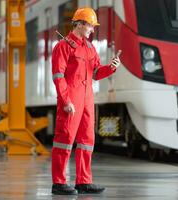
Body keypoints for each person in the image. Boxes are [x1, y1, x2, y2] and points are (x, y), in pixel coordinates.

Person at [51, 7, 121, 195]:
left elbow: (96, 73)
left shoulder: (89, 47)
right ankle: (59, 182)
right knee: (64, 139)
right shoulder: (63, 47)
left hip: (87, 99)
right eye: (90, 26)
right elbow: (58, 76)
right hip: (71, 98)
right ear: (80, 24)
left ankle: (83, 181)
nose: (92, 29)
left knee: (86, 140)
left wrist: (111, 67)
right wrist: (66, 100)